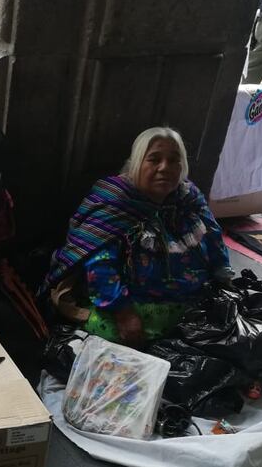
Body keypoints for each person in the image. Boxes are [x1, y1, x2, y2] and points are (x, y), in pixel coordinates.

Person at [45, 128, 233, 348]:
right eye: (154, 159)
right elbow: (100, 263)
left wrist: (224, 280)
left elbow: (214, 236)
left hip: (193, 303)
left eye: (174, 160)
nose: (165, 168)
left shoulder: (188, 199)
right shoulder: (115, 202)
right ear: (136, 163)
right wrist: (124, 314)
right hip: (134, 309)